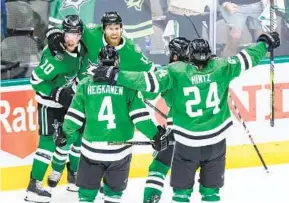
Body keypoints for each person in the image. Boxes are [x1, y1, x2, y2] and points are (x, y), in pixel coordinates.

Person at [92, 32, 280, 202]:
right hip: (215, 140)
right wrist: (264, 44)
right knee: (210, 191)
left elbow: (148, 85)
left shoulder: (175, 72)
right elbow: (246, 58)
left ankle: (151, 199)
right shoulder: (220, 67)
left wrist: (116, 76)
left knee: (164, 173)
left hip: (182, 136)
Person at [53, 45, 169, 203]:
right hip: (119, 152)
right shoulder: (127, 85)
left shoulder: (86, 84)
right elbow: (140, 117)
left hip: (91, 151)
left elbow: (75, 116)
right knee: (113, 196)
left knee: (86, 196)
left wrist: (65, 134)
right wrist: (154, 135)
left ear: (99, 62)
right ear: (117, 62)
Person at [25, 15, 86, 203]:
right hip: (48, 105)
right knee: (48, 143)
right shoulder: (55, 56)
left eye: (75, 34)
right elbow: (35, 80)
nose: (71, 38)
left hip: (67, 104)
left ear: (80, 35)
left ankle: (74, 177)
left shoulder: (82, 50)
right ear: (63, 32)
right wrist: (55, 92)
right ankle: (33, 187)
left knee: (75, 137)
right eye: (68, 33)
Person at [142, 37, 190, 203]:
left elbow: (148, 92)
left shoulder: (170, 71)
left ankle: (151, 199)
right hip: (203, 135)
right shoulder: (204, 70)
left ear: (175, 56)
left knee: (158, 167)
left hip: (178, 132)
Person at [46, 11, 156, 82]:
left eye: (117, 28)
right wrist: (55, 31)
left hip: (113, 96)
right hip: (82, 91)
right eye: (110, 29)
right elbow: (72, 25)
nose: (114, 33)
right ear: (103, 29)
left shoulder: (131, 49)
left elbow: (152, 70)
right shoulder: (92, 34)